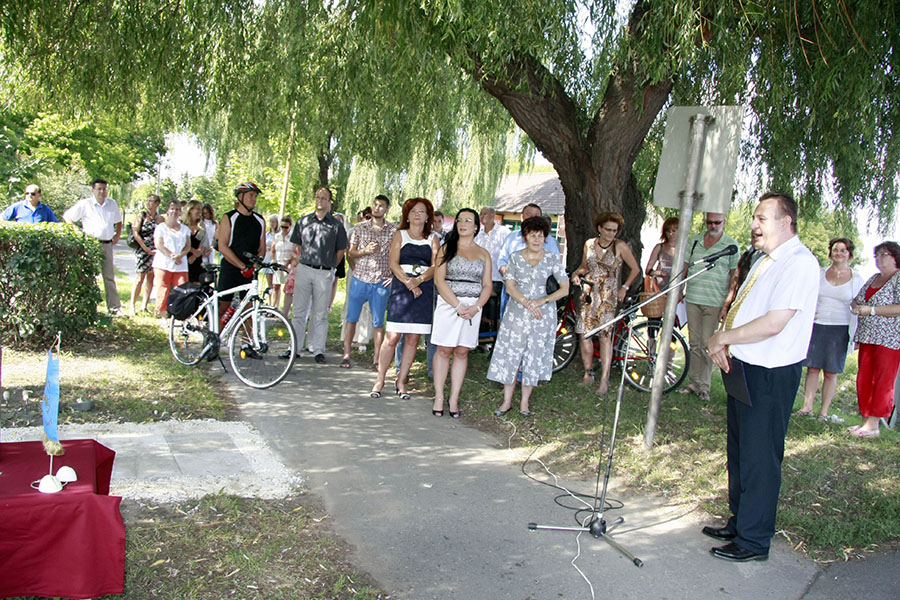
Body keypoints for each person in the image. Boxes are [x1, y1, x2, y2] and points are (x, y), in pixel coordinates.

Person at [705, 192, 819, 563]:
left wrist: (723, 337)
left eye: (762, 219)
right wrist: (725, 341)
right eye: (754, 218)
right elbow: (745, 309)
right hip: (744, 367)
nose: (753, 225)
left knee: (760, 457)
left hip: (770, 374)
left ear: (786, 221)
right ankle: (741, 522)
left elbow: (775, 322)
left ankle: (753, 540)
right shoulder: (765, 260)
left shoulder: (799, 263)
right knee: (739, 453)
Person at [488, 216, 569, 416]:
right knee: (512, 355)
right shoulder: (515, 257)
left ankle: (525, 403)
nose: (537, 239)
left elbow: (565, 288)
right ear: (525, 236)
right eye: (532, 235)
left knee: (533, 355)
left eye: (541, 236)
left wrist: (542, 301)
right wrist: (527, 303)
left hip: (542, 315)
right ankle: (506, 401)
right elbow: (510, 286)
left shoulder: (552, 259)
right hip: (517, 313)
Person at [372, 198, 439, 399]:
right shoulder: (399, 235)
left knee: (413, 338)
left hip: (424, 288)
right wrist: (409, 282)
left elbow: (435, 266)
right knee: (392, 337)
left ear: (428, 216)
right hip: (402, 287)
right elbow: (393, 263)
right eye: (413, 211)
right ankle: (380, 379)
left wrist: (418, 281)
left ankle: (402, 380)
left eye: (422, 211)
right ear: (407, 215)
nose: (417, 215)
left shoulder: (433, 238)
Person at [431, 209, 492, 418]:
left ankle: (454, 397)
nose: (463, 224)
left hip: (472, 308)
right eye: (459, 220)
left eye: (468, 221)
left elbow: (487, 285)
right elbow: (439, 280)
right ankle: (439, 395)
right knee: (443, 350)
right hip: (449, 305)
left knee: (462, 352)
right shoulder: (446, 248)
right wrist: (457, 305)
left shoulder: (484, 254)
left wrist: (476, 307)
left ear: (476, 227)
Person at [571, 212, 640, 394]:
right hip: (589, 293)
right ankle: (588, 373)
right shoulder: (589, 244)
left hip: (608, 296)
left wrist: (624, 287)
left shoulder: (620, 246)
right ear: (600, 228)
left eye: (614, 230)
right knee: (584, 334)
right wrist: (577, 274)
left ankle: (604, 379)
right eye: (608, 229)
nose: (611, 234)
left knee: (604, 336)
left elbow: (635, 269)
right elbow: (585, 266)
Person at [797, 238, 864, 420]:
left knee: (831, 372)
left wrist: (856, 335)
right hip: (817, 325)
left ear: (849, 254)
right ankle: (806, 408)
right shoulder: (820, 273)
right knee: (812, 368)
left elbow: (859, 305)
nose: (839, 254)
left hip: (839, 329)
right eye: (835, 250)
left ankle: (824, 412)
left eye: (843, 250)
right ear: (830, 252)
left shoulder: (856, 279)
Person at [679, 212, 740, 401]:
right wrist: (681, 289)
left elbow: (734, 276)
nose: (713, 225)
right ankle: (694, 382)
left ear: (724, 222)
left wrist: (727, 303)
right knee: (695, 343)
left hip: (715, 300)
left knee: (708, 343)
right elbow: (686, 266)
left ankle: (704, 386)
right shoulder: (695, 241)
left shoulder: (731, 245)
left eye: (717, 222)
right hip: (693, 298)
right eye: (709, 222)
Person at [290, 187, 348, 364]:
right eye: (317, 197)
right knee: (299, 311)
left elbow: (341, 250)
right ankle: (294, 348)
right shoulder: (304, 221)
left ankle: (318, 350)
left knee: (320, 313)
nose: (320, 201)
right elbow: (297, 245)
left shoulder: (336, 225)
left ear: (329, 202)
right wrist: (305, 260)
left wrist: (330, 266)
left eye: (324, 198)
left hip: (324, 272)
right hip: (304, 268)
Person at [848, 241, 900, 437]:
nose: (879, 258)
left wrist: (873, 310)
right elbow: (858, 299)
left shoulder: (898, 278)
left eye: (883, 254)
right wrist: (856, 306)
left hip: (889, 339)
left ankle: (874, 424)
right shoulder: (873, 278)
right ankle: (865, 421)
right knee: (865, 378)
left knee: (882, 380)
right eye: (876, 255)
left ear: (895, 256)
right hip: (867, 336)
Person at [342, 195, 396, 369]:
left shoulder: (393, 231)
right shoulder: (359, 228)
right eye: (375, 205)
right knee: (351, 319)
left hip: (380, 281)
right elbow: (351, 253)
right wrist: (364, 251)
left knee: (378, 322)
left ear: (387, 209)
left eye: (381, 206)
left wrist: (393, 275)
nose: (377, 208)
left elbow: (397, 256)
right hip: (360, 279)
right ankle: (346, 355)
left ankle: (376, 359)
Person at [63, 178, 123, 314]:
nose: (102, 192)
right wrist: (76, 230)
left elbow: (119, 221)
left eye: (104, 189)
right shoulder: (85, 204)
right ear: (93, 190)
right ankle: (87, 307)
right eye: (99, 189)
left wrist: (117, 235)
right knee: (88, 275)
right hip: (91, 244)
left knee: (109, 276)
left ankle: (114, 307)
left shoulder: (111, 204)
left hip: (107, 244)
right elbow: (67, 216)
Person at [216, 182, 266, 321]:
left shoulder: (259, 220)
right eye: (251, 195)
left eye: (255, 196)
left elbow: (262, 248)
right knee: (223, 307)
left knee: (249, 308)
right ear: (240, 197)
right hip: (231, 268)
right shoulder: (229, 217)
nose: (254, 199)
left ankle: (246, 342)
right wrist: (241, 266)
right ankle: (215, 338)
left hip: (250, 270)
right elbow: (223, 246)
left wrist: (256, 264)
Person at [475, 206, 511, 338]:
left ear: (493, 215)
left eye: (485, 213)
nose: (482, 216)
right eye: (481, 214)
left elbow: (508, 255)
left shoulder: (504, 233)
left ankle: (496, 339)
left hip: (497, 278)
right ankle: (482, 340)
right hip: (480, 279)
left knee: (495, 312)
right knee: (481, 310)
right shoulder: (478, 235)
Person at [151, 200, 191, 318]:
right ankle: (162, 314)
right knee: (163, 289)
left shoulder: (185, 229)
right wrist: (172, 256)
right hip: (163, 263)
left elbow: (188, 246)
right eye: (173, 208)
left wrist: (180, 255)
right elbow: (159, 244)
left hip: (181, 263)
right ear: (168, 210)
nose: (175, 211)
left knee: (182, 289)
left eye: (178, 209)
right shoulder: (161, 227)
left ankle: (178, 314)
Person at [130, 194, 164, 314]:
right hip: (142, 250)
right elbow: (135, 231)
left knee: (151, 277)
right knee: (140, 277)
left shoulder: (160, 219)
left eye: (152, 201)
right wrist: (144, 247)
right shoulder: (142, 215)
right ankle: (132, 306)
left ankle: (144, 305)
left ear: (157, 203)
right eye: (148, 201)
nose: (149, 203)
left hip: (155, 252)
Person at [645, 216, 679, 289]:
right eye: (668, 231)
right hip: (659, 290)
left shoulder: (685, 249)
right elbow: (648, 270)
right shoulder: (659, 247)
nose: (670, 234)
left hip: (677, 290)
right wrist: (659, 273)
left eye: (673, 231)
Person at [269, 215, 294, 313]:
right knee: (275, 286)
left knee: (287, 289)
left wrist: (287, 263)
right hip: (278, 263)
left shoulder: (292, 237)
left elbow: (294, 251)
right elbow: (272, 249)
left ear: (290, 226)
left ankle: (285, 311)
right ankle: (273, 308)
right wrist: (273, 260)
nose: (284, 229)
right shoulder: (277, 236)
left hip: (288, 265)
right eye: (282, 227)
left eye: (286, 227)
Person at [182, 200, 210, 284]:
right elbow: (179, 242)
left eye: (200, 209)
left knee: (197, 285)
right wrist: (192, 251)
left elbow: (204, 242)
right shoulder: (182, 224)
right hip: (183, 258)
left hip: (197, 260)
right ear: (190, 210)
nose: (200, 212)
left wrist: (195, 255)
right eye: (198, 209)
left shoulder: (201, 225)